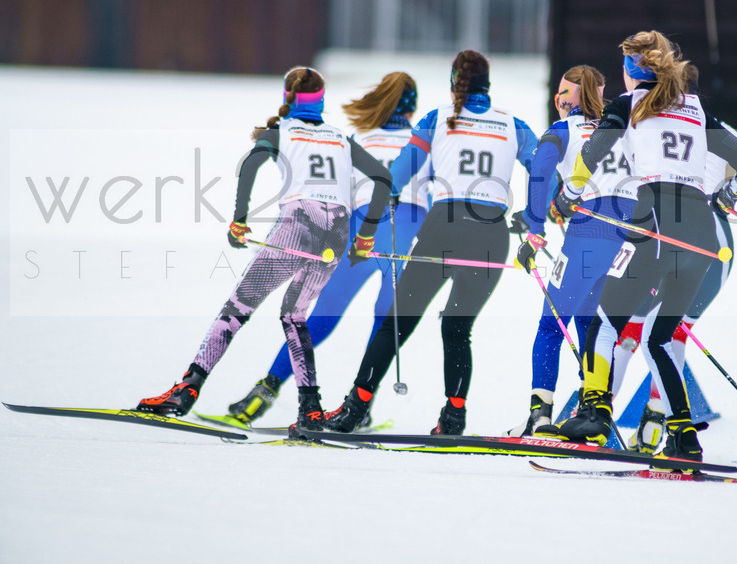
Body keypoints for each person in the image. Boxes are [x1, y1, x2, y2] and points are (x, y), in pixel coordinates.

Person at [532, 30, 737, 463]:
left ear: (632, 71)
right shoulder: (695, 107)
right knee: (661, 339)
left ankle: (595, 416)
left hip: (653, 222)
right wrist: (730, 193)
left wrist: (570, 194)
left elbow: (596, 150)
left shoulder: (628, 103)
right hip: (700, 231)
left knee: (604, 322)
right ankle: (683, 438)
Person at [136, 67, 392, 436]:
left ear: (287, 96)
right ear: (321, 100)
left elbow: (251, 164)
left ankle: (187, 389)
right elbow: (384, 180)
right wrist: (366, 235)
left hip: (298, 224)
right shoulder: (340, 138)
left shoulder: (280, 132)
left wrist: (239, 220)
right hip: (337, 231)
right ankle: (310, 409)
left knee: (238, 308)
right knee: (295, 318)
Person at [322, 50, 539, 435]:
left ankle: (356, 408)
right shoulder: (512, 124)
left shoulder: (436, 118)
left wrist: (376, 217)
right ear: (487, 86)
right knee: (458, 328)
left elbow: (398, 173)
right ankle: (453, 416)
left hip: (445, 229)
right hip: (491, 234)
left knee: (396, 324)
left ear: (454, 81)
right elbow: (543, 169)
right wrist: (535, 218)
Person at [222, 72, 430, 427]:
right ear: (411, 110)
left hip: (361, 232)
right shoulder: (422, 141)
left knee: (319, 319)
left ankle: (262, 395)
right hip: (405, 236)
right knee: (386, 326)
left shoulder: (356, 137)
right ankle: (359, 409)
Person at [612, 136, 737, 453]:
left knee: (629, 329)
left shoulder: (654, 119)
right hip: (719, 242)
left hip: (672, 231)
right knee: (674, 335)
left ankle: (594, 417)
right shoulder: (715, 126)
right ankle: (655, 427)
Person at [505, 65, 638, 436]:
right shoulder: (622, 128)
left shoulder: (563, 130)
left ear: (571, 99)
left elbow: (539, 175)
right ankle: (590, 414)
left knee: (551, 325)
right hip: (632, 239)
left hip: (590, 235)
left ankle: (540, 416)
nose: (557, 99)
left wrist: (534, 230)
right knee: (590, 324)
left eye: (562, 92)